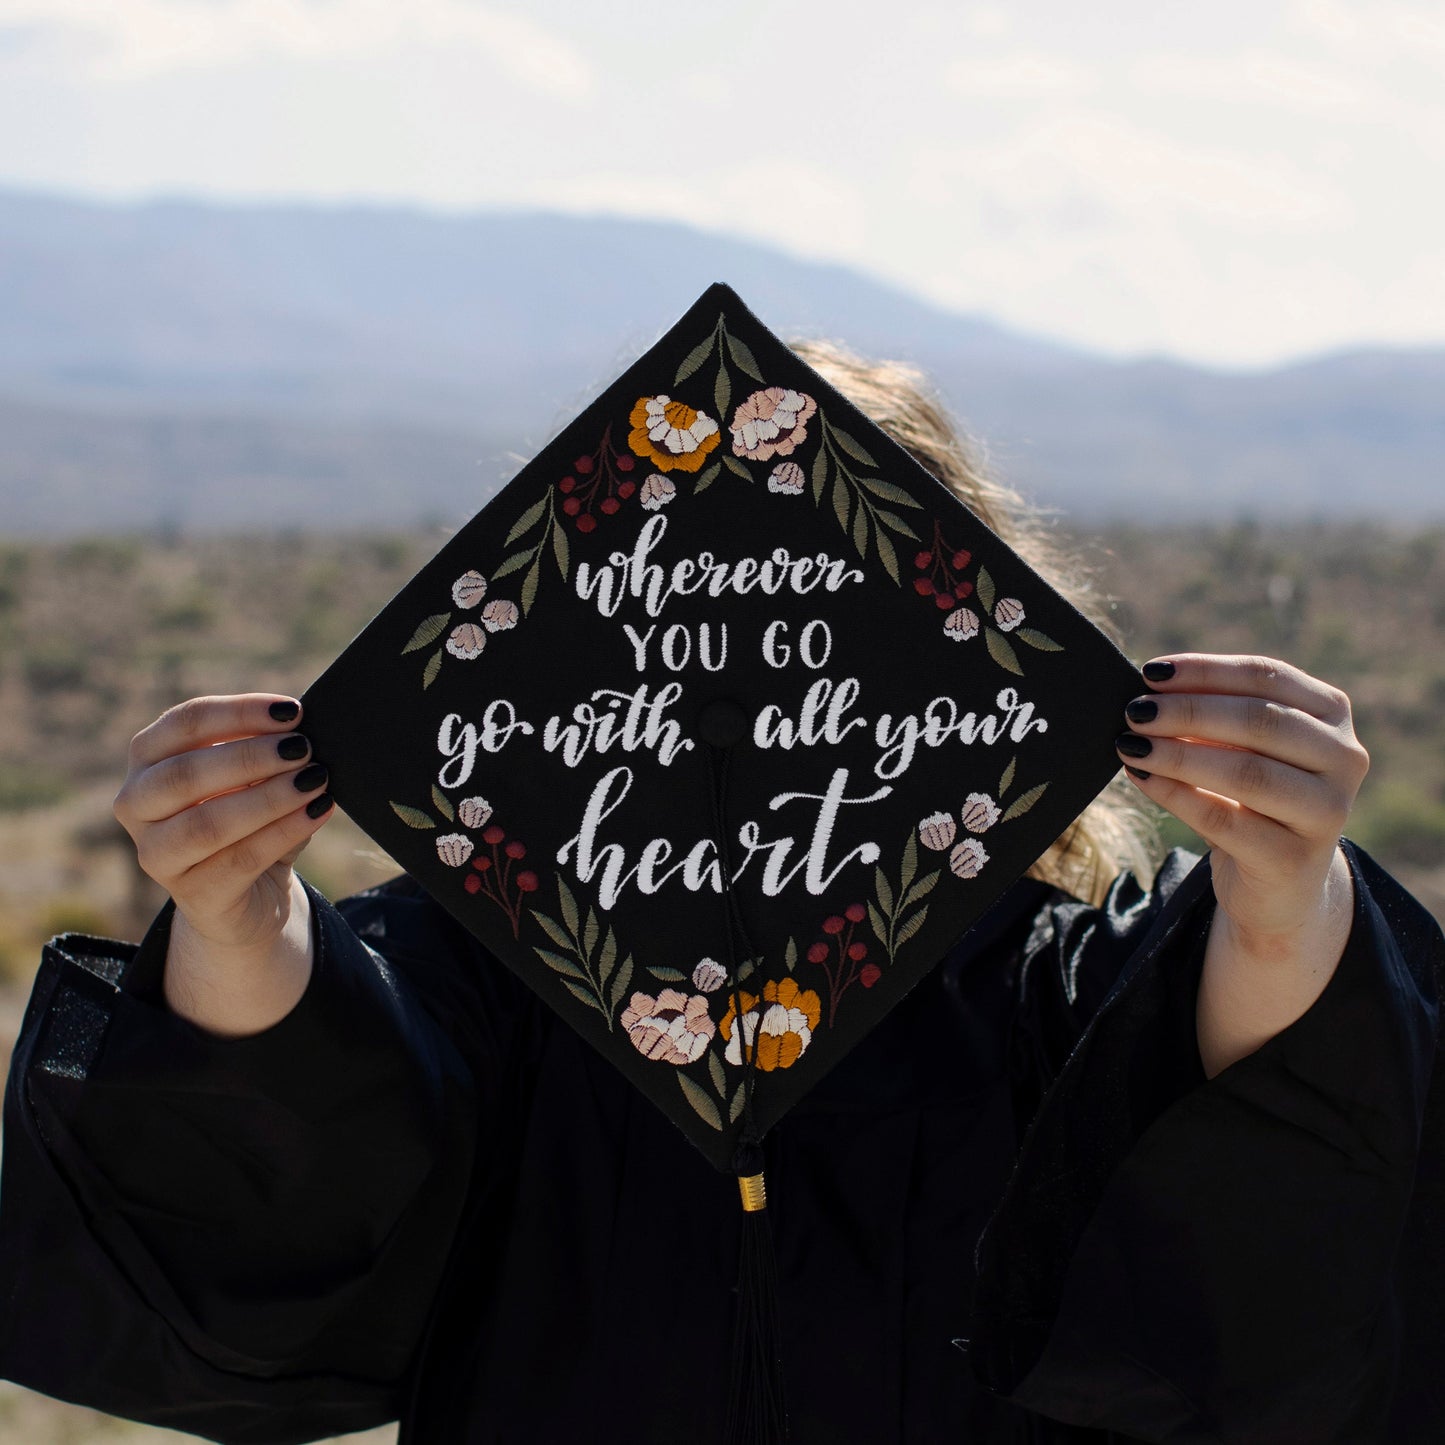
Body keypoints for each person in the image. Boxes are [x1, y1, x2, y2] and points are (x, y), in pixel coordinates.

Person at [2, 343, 1441, 1445]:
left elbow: (1243, 1079)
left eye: (823, 629)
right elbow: (332, 1068)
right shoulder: (504, 973)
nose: (754, 699)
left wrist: (1278, 891)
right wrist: (237, 912)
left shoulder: (1029, 984)